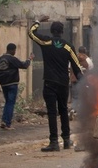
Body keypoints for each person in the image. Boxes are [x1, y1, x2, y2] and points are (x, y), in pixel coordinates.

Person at [29, 17, 83, 151]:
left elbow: (31, 33)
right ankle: (66, 140)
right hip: (63, 84)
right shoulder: (68, 46)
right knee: (64, 110)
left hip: (50, 83)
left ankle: (53, 142)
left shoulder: (46, 41)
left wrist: (37, 22)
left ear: (52, 31)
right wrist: (84, 84)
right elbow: (76, 67)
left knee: (52, 112)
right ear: (62, 32)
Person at [0, 43, 32, 130]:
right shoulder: (12, 59)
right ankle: (7, 123)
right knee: (10, 103)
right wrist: (29, 59)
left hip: (4, 85)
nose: (14, 52)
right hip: (12, 84)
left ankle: (4, 121)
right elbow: (24, 65)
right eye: (14, 50)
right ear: (13, 50)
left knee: (7, 103)